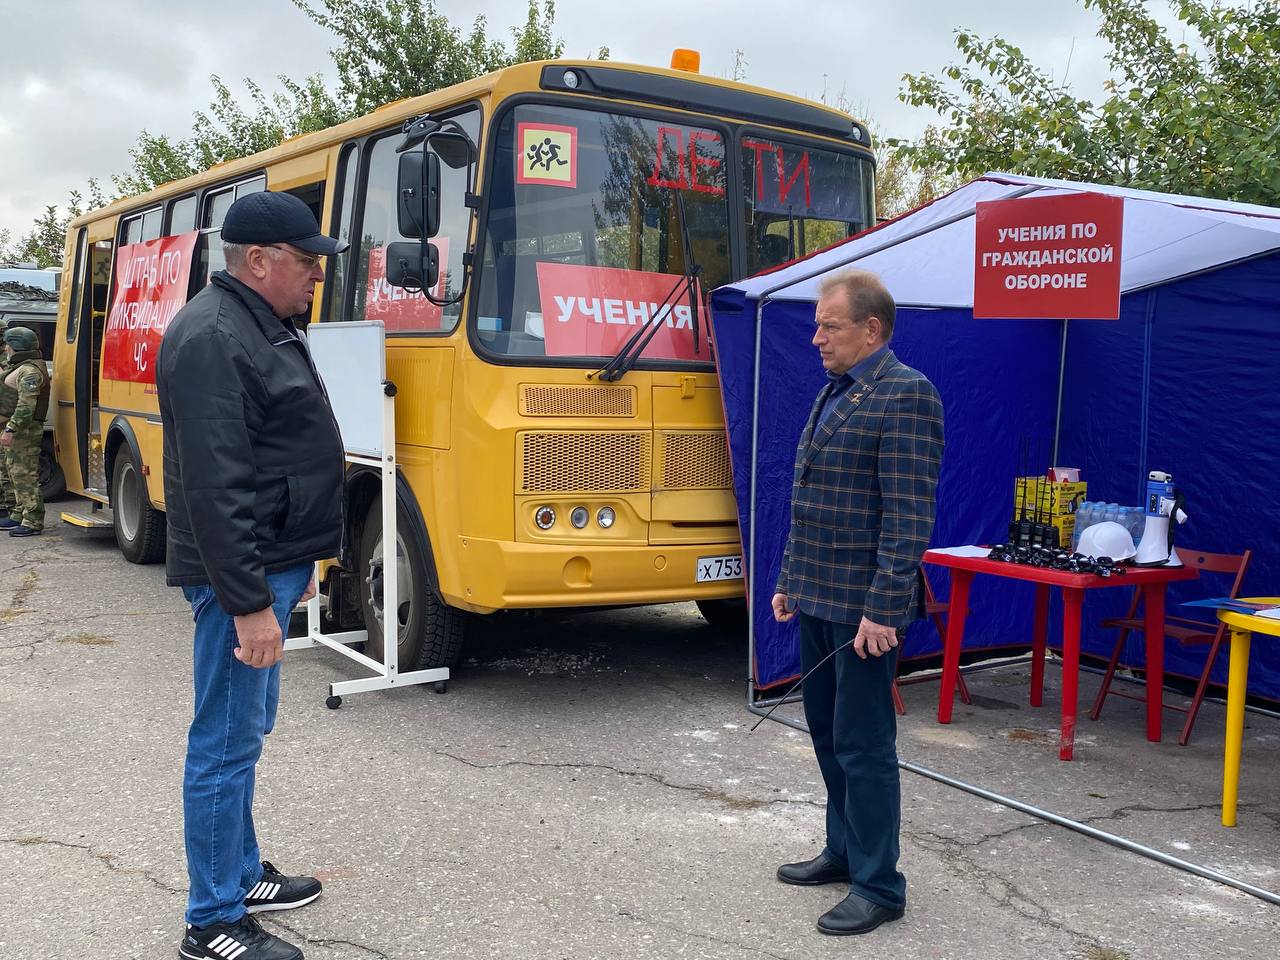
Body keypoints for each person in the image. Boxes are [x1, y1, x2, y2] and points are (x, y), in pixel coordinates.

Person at [158, 191, 348, 960]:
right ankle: (212, 921)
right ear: (259, 260)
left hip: (270, 565)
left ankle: (238, 873)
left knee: (246, 732)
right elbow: (214, 486)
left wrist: (294, 565)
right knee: (224, 745)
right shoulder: (214, 336)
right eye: (306, 262)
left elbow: (271, 458)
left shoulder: (254, 321)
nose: (315, 276)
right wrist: (247, 604)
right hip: (242, 579)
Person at [770, 269, 944, 936]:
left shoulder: (906, 395)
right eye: (818, 326)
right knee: (826, 733)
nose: (817, 338)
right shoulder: (834, 392)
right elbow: (809, 495)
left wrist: (884, 608)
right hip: (818, 595)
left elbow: (907, 517)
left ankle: (879, 883)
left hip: (865, 611)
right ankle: (843, 851)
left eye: (829, 326)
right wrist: (790, 579)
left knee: (864, 745)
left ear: (872, 329)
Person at [0, 325, 51, 537]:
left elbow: (26, 406)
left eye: (8, 345)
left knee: (24, 475)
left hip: (25, 431)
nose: (5, 349)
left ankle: (33, 520)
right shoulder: (21, 367)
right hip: (20, 430)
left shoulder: (29, 371)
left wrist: (11, 428)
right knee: (14, 472)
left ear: (17, 347)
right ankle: (18, 513)